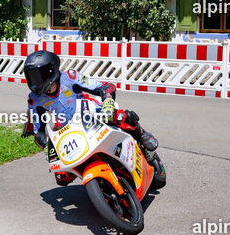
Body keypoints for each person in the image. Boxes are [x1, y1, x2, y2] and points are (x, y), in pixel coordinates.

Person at [22, 50, 158, 184]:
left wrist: (108, 103)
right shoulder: (34, 100)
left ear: (52, 70)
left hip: (91, 113)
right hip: (68, 131)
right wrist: (47, 147)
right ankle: (98, 181)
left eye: (38, 75)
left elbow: (104, 87)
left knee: (122, 117)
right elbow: (38, 131)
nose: (35, 81)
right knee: (61, 177)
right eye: (32, 76)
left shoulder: (71, 77)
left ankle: (142, 135)